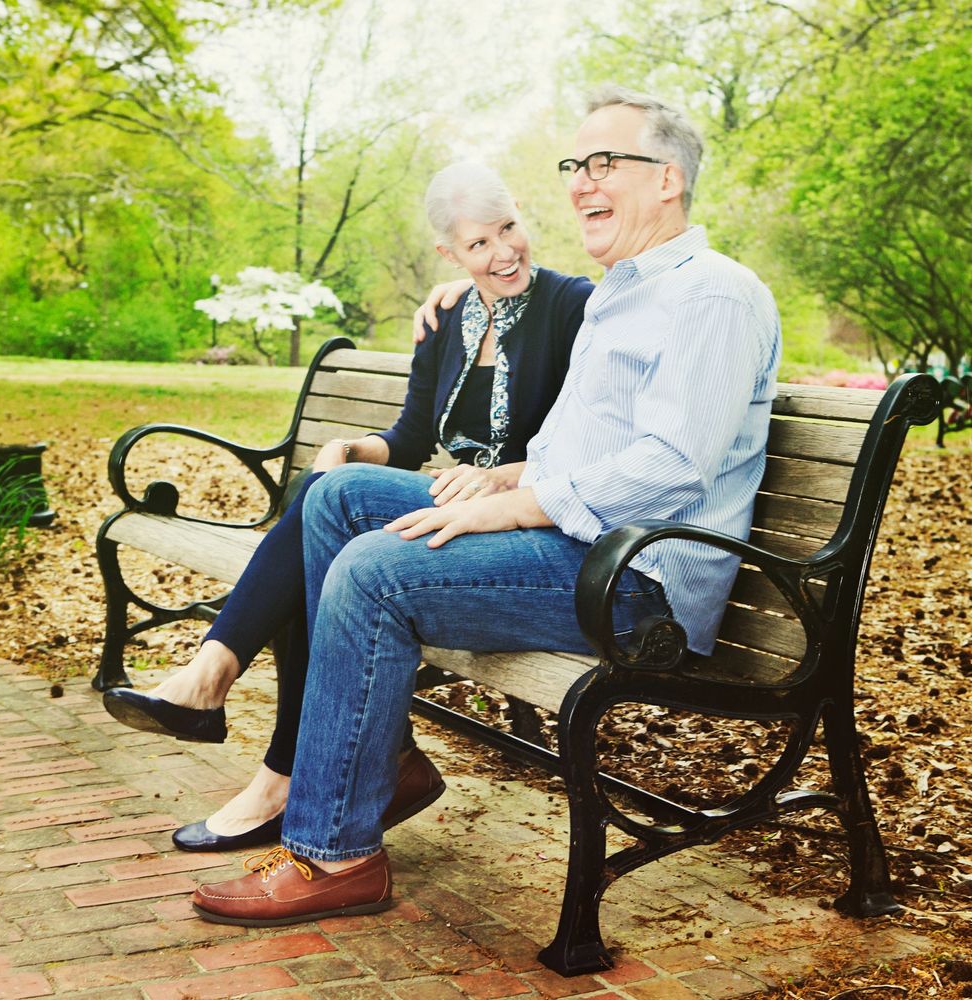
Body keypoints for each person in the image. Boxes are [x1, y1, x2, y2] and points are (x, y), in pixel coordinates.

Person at [189, 85, 781, 926]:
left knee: (372, 574)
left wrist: (512, 506)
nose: (580, 181)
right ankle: (380, 760)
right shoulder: (625, 291)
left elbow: (675, 465)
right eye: (576, 164)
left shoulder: (711, 295)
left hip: (634, 577)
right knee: (337, 497)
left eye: (604, 162)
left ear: (669, 181)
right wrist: (504, 479)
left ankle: (334, 853)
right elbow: (582, 444)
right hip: (578, 540)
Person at [101, 161, 594, 851]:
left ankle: (246, 722)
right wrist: (353, 447)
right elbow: (412, 438)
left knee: (322, 520)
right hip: (449, 508)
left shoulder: (574, 306)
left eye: (509, 228)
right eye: (479, 244)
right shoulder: (447, 317)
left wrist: (506, 478)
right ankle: (270, 739)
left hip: (517, 524)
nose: (504, 251)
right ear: (448, 253)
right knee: (323, 496)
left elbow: (585, 444)